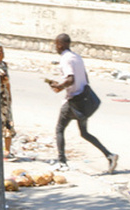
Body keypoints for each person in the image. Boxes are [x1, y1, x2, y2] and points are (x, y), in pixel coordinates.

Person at [46, 34, 118, 174]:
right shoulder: (76, 57)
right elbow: (84, 78)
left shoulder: (65, 59)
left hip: (73, 101)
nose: (55, 47)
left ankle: (62, 161)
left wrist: (59, 87)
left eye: (56, 44)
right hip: (84, 100)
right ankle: (110, 155)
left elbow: (70, 79)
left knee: (60, 129)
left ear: (60, 44)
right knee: (84, 133)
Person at [0, 46, 15, 158]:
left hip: (4, 98)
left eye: (2, 52)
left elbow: (7, 82)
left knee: (8, 123)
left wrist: (10, 96)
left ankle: (7, 150)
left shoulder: (3, 65)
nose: (2, 54)